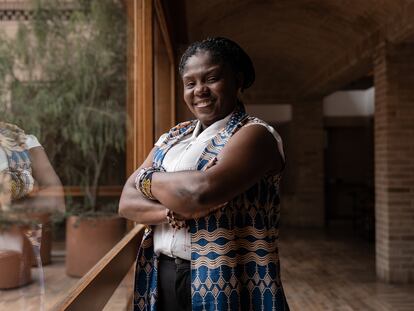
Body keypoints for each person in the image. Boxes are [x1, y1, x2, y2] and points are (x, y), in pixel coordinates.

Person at [119, 37, 289, 311]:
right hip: (162, 274)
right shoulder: (173, 136)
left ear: (238, 80)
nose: (200, 90)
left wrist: (145, 178)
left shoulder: (255, 134)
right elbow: (126, 202)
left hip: (229, 278)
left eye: (211, 78)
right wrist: (173, 212)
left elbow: (199, 193)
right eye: (190, 83)